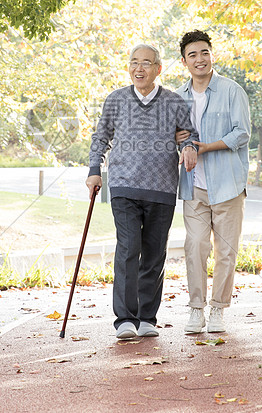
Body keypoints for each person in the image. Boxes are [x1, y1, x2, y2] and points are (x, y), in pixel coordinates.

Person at [87, 44, 198, 339]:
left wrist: (188, 147)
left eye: (146, 63)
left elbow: (190, 134)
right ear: (129, 67)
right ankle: (125, 318)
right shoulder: (115, 100)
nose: (139, 68)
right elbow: (101, 138)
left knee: (153, 254)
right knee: (128, 248)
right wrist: (94, 171)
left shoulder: (174, 102)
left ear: (158, 69)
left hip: (161, 188)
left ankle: (147, 317)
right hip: (123, 185)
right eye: (134, 62)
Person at [175, 30, 251, 334]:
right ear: (184, 61)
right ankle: (196, 309)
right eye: (192, 54)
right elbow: (173, 137)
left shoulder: (232, 91)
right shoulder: (177, 98)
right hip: (193, 186)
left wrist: (205, 146)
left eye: (204, 52)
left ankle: (218, 309)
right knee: (194, 246)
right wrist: (181, 142)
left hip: (228, 185)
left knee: (226, 251)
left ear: (212, 55)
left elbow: (241, 133)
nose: (199, 59)